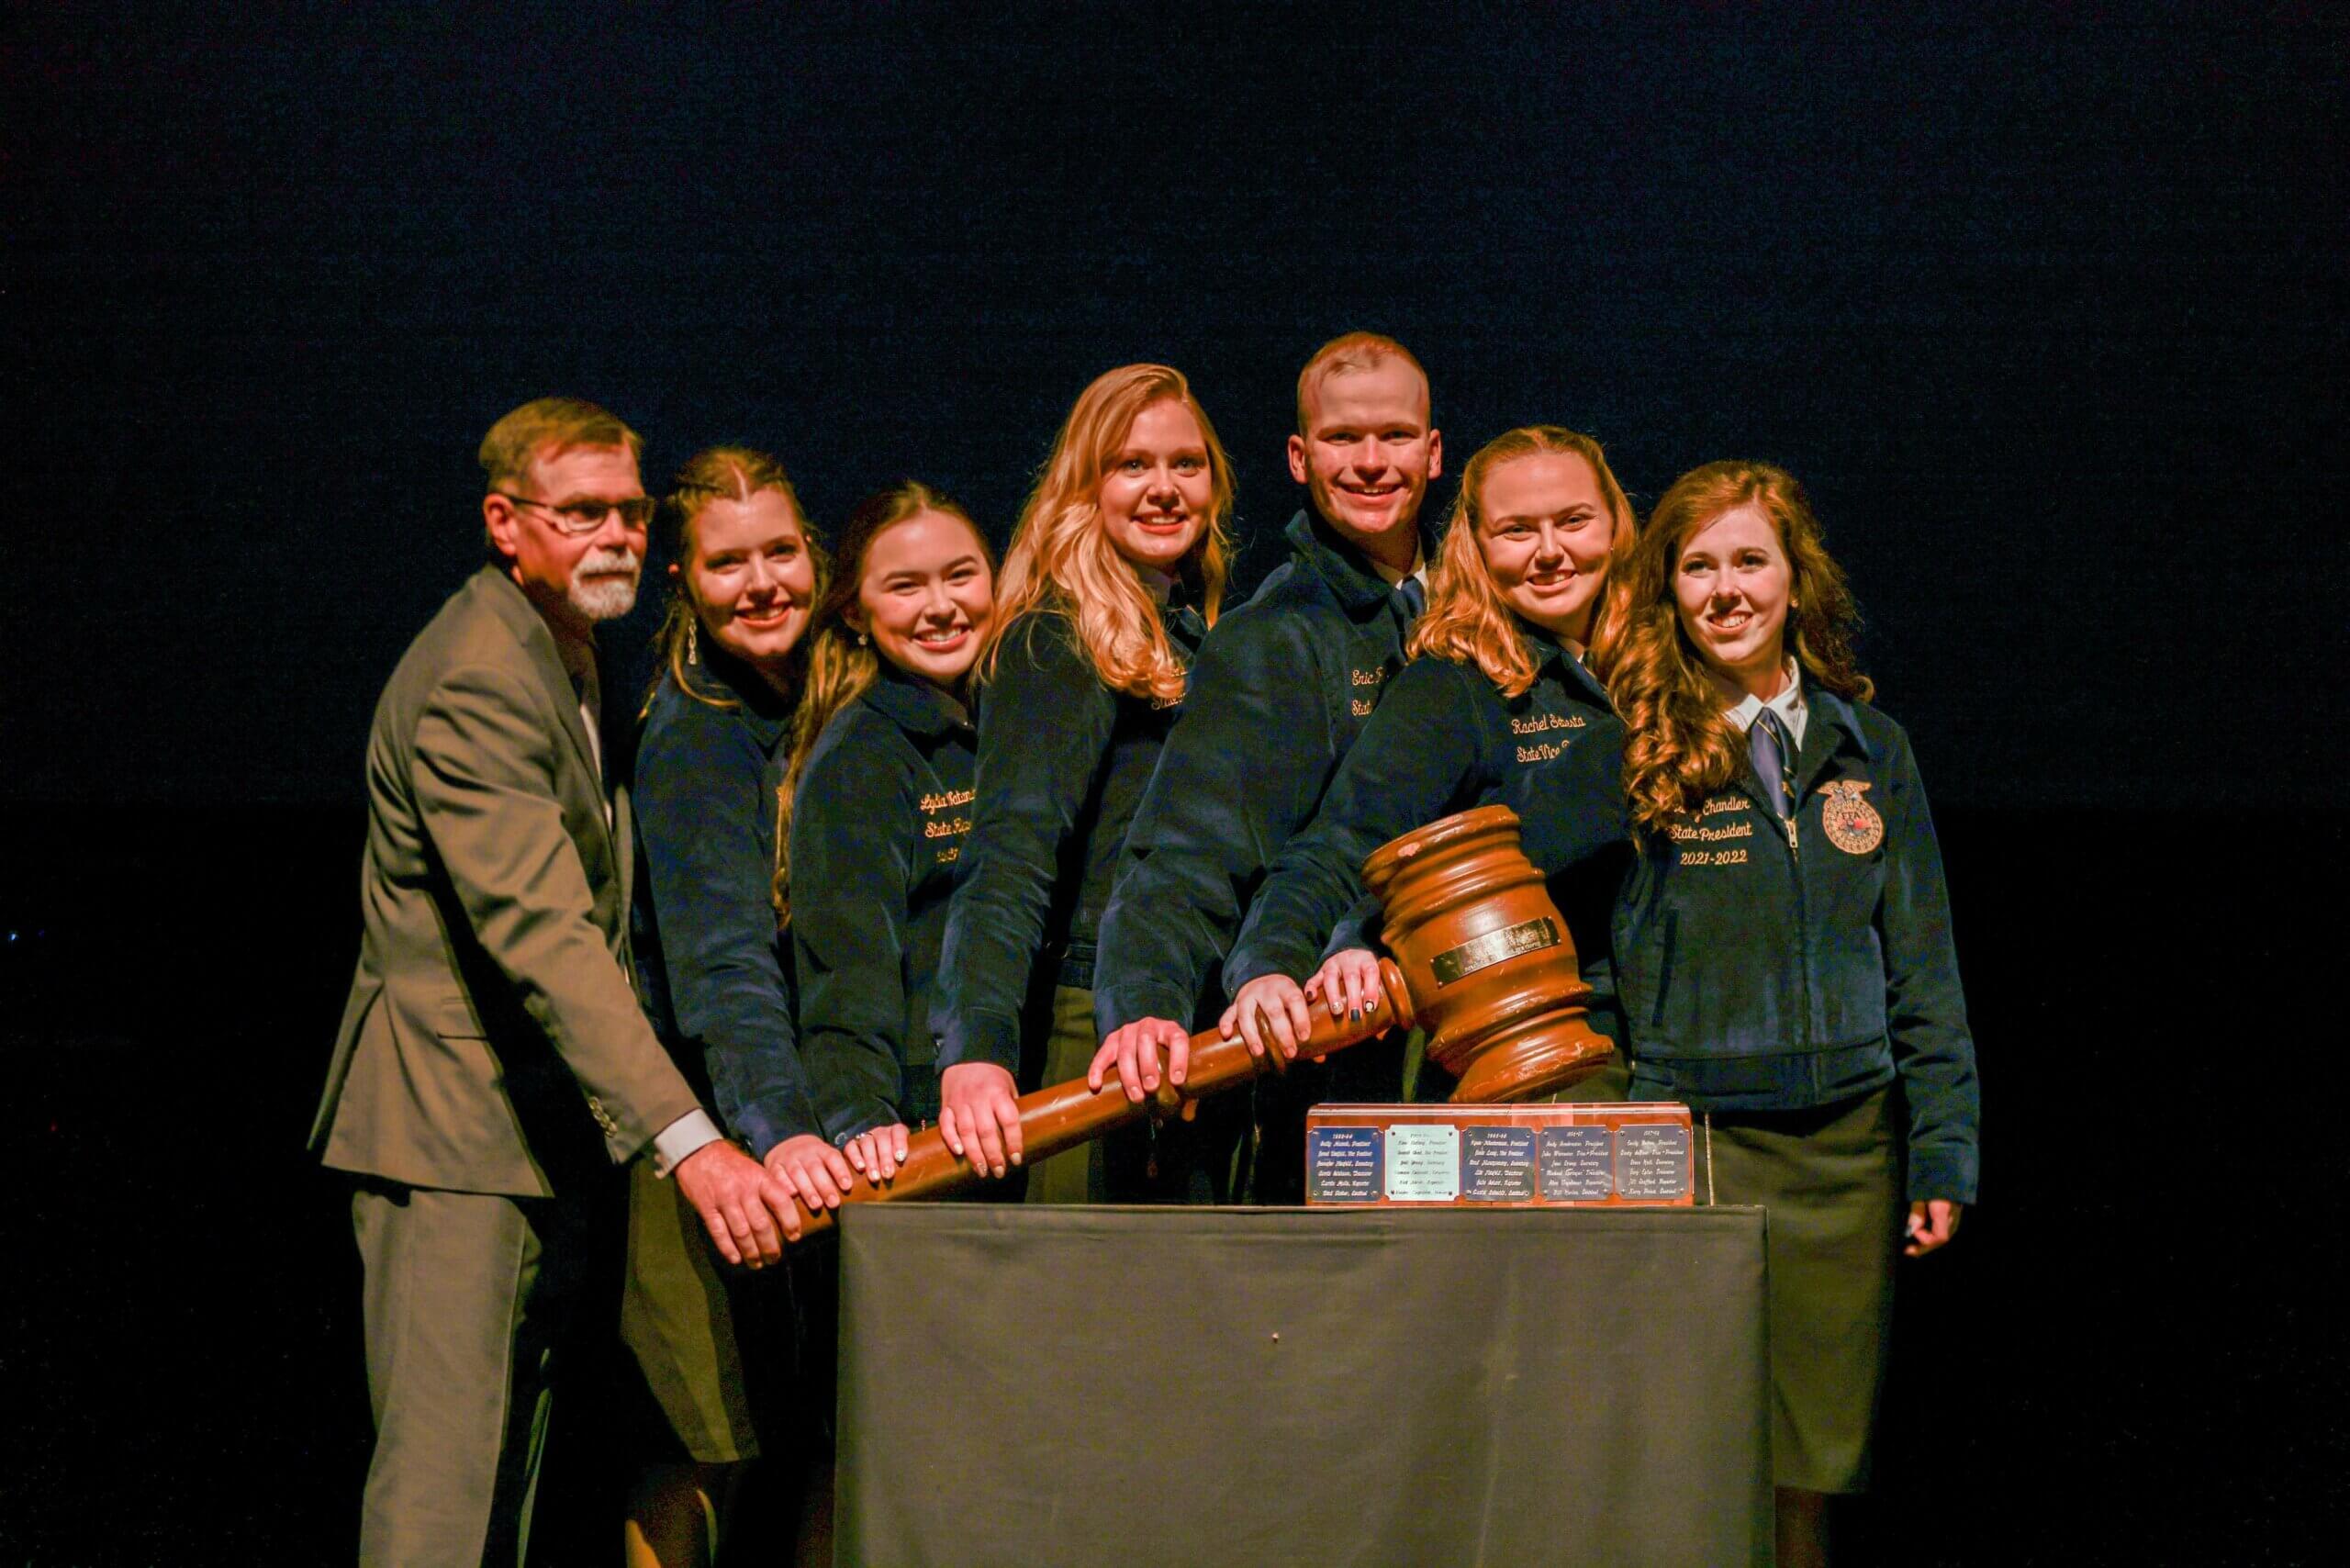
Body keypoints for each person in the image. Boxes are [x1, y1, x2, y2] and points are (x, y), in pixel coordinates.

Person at [311, 398, 803, 1567]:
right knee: (441, 1491)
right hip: (446, 1136)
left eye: (630, 512)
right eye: (582, 513)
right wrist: (692, 1142)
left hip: (521, 1135)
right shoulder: (476, 676)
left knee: (509, 1473)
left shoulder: (565, 647)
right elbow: (544, 936)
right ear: (505, 522)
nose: (617, 536)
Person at [1601, 460, 1980, 1566]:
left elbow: (1924, 969)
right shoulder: (1631, 740)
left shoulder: (1874, 750)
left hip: (1848, 1155)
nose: (1725, 589)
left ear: (1794, 577)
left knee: (1806, 1472)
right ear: (1665, 586)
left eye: (1748, 560)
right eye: (1697, 565)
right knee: (1692, 1459)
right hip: (1694, 1149)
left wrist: (1945, 1151)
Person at [1089, 332, 1444, 1202]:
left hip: (1475, 1049)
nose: (1370, 462)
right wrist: (1145, 1006)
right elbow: (1185, 857)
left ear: (1435, 454)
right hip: (1332, 1077)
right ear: (1298, 455)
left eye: (1395, 436)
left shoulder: (1487, 608)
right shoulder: (1269, 636)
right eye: (1340, 438)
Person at [1218, 428, 1637, 1092]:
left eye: (1574, 521)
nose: (1551, 551)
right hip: (1533, 1063)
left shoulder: (1666, 676)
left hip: (1676, 1070)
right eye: (1517, 531)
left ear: (1615, 526)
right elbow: (1342, 842)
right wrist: (1272, 962)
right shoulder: (1455, 683)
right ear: (1475, 545)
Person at [931, 364, 1234, 1200]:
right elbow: (1007, 856)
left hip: (1179, 1022)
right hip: (1086, 1029)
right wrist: (978, 1053)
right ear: (1084, 485)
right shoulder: (1057, 637)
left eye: (1187, 463)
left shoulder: (1188, 634)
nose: (1164, 488)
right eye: (1132, 464)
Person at [624, 447, 850, 1566]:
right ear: (683, 579)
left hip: (784, 1127)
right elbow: (721, 970)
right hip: (708, 1137)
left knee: (816, 1438)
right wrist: (781, 1131)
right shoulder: (698, 737)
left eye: (780, 551)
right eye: (728, 563)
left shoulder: (824, 697)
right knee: (703, 1440)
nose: (762, 583)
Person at [785, 480, 996, 1175]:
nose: (941, 606)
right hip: (925, 1111)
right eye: (906, 587)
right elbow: (844, 971)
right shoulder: (860, 759)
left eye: (960, 575)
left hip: (1000, 1083)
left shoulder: (1016, 722)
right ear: (854, 612)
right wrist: (861, 1115)